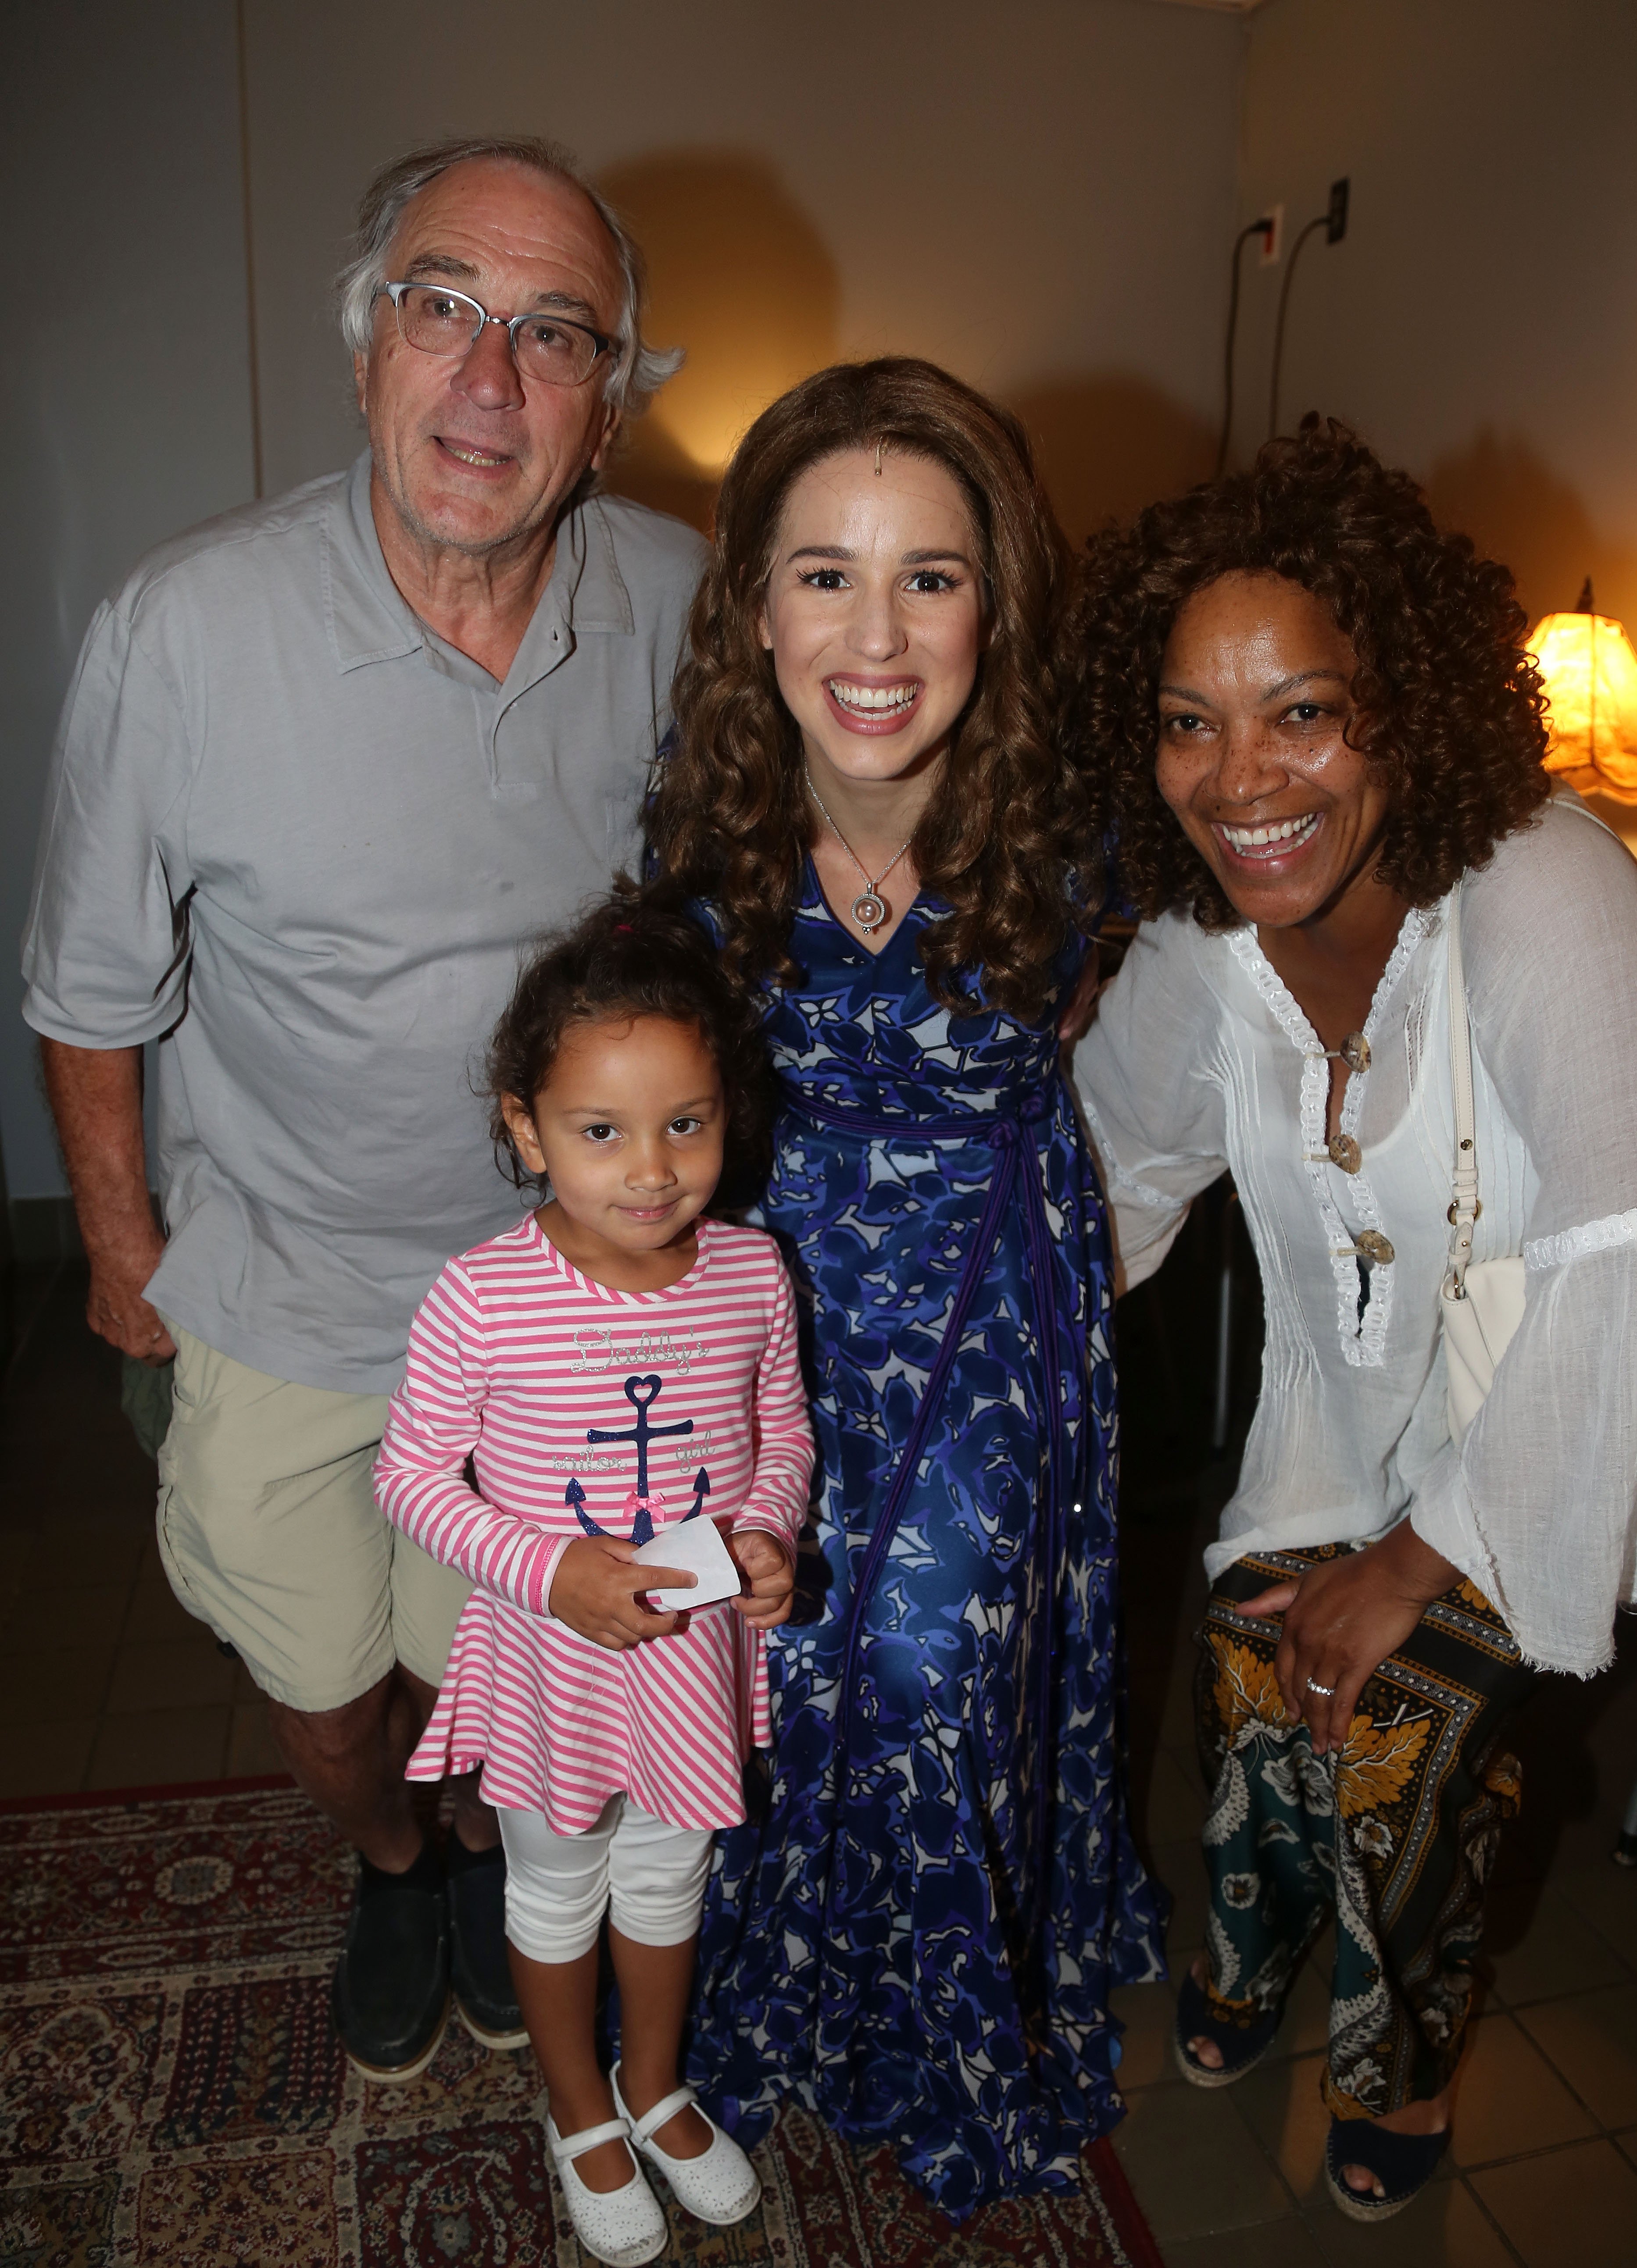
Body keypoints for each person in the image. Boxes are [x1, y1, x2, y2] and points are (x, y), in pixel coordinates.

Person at [20, 133, 705, 2081]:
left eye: (553, 335)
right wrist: (125, 1248)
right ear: (364, 352)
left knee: (490, 1653)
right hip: (292, 1292)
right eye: (442, 309)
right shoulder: (184, 629)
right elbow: (85, 986)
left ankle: (481, 1836)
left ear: (608, 400)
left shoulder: (687, 601)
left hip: (560, 1308)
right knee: (323, 1677)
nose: (487, 383)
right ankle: (396, 1856)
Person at [1071, 417, 1637, 2222]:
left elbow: (1624, 1256)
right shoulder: (1199, 940)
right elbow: (1104, 1190)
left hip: (1552, 1403)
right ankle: (1254, 1955)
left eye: (1301, 711)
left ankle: (1399, 2046)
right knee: (1253, 1666)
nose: (1239, 780)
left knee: (1394, 1721)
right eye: (1189, 721)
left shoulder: (1544, 883)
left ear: (1405, 707)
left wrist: (1426, 1551)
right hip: (1334, 1406)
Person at [647, 357, 1165, 2220]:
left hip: (987, 1314)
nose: (878, 636)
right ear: (756, 605)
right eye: (826, 574)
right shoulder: (695, 824)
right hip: (759, 1319)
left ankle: (944, 2040)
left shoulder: (1085, 826)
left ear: (997, 600)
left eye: (931, 576)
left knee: (934, 1672)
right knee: (767, 1663)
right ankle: (767, 2012)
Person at [374, 893, 813, 2268]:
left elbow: (783, 1432)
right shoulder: (480, 1296)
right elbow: (409, 1478)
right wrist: (545, 1565)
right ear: (526, 1129)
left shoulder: (752, 1272)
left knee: (667, 1876)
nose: (651, 1168)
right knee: (557, 1885)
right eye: (599, 1131)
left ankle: (655, 2082)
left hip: (687, 1659)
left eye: (687, 1121)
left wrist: (763, 1537)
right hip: (550, 1665)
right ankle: (579, 2108)